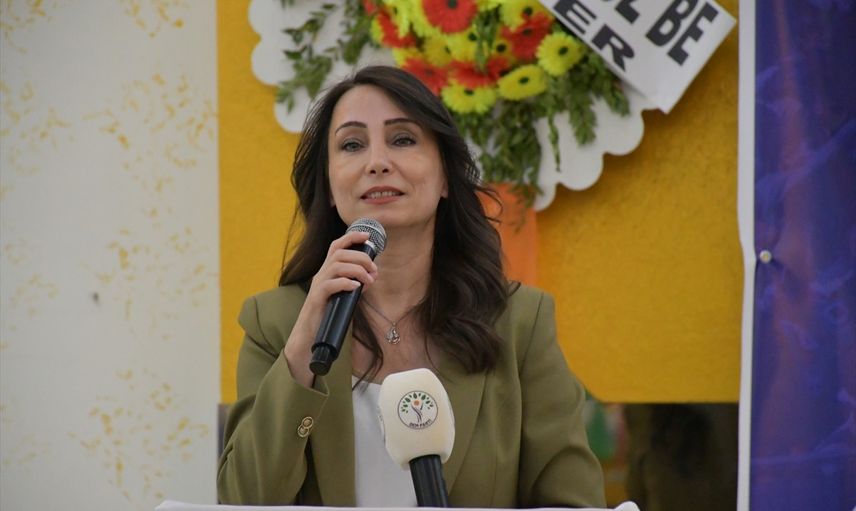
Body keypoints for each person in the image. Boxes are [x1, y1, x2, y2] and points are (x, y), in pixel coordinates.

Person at [217, 65, 605, 507]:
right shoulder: (275, 322)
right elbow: (243, 500)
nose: (377, 162)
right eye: (352, 145)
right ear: (329, 187)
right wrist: (304, 345)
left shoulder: (520, 324)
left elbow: (574, 501)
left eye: (402, 139)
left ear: (445, 177)